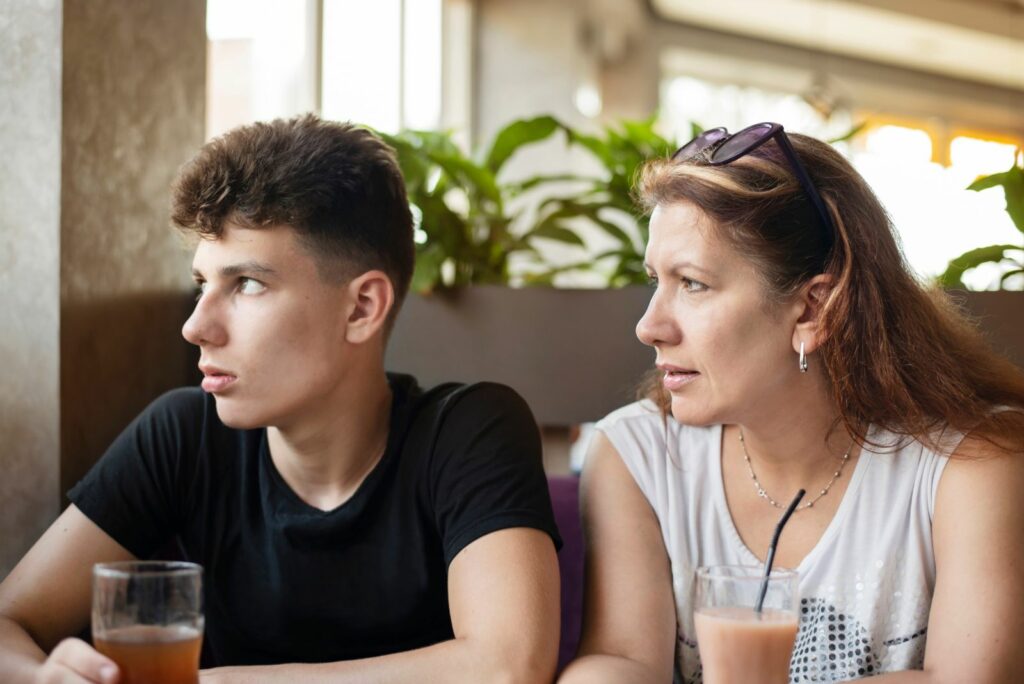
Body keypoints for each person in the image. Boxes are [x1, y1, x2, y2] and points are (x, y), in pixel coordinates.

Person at [0, 114, 562, 684]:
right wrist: (40, 677)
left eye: (247, 284)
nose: (196, 326)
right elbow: (7, 623)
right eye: (203, 283)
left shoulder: (468, 431)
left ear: (363, 307)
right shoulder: (184, 433)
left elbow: (508, 665)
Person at [558, 123, 1024, 683]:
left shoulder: (971, 465)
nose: (649, 326)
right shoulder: (636, 454)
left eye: (694, 284)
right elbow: (621, 659)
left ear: (812, 310)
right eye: (656, 279)